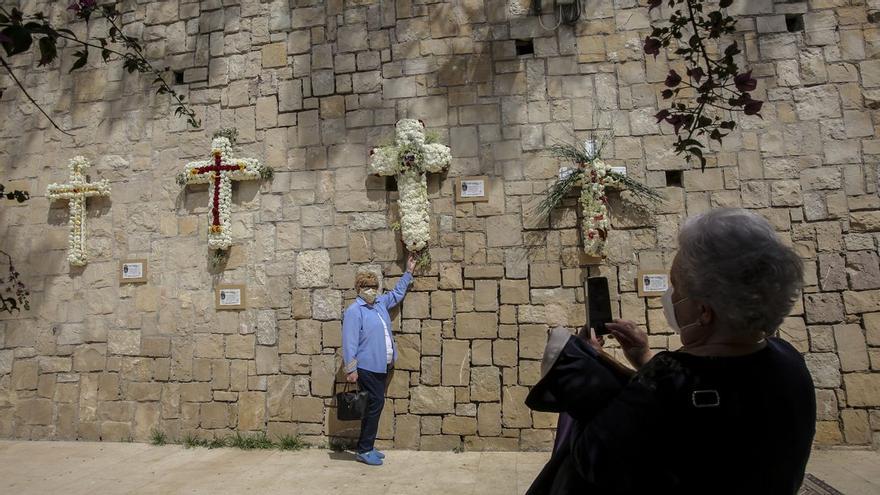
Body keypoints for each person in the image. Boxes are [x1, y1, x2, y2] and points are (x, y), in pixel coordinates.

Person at [526, 208, 816, 494]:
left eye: (676, 287)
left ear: (704, 311)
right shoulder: (789, 361)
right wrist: (644, 359)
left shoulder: (663, 384)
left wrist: (587, 374)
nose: (671, 296)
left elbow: (595, 461)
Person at [342, 254, 416, 466]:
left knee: (372, 406)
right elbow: (349, 342)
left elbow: (397, 294)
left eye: (374, 286)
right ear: (358, 289)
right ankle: (364, 449)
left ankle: (367, 446)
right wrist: (351, 369)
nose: (371, 290)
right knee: (375, 404)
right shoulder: (354, 311)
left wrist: (409, 271)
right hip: (366, 367)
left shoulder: (380, 303)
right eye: (366, 286)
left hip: (381, 366)